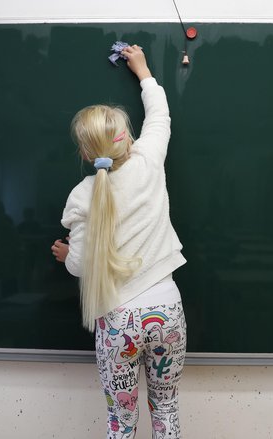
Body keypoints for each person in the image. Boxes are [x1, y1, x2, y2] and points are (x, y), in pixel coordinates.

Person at [51, 45, 187, 439]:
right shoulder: (147, 162)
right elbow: (160, 116)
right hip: (166, 311)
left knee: (121, 423)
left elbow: (78, 265)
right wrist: (143, 71)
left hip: (118, 321)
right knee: (166, 409)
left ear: (85, 153)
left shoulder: (82, 195)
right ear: (127, 138)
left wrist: (64, 256)